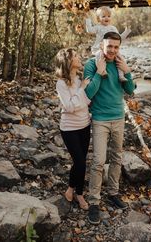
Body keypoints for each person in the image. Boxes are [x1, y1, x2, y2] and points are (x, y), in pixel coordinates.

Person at [83, 31, 135, 224]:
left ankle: (113, 193)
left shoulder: (120, 64)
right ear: (101, 46)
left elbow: (130, 91)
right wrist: (98, 71)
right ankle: (94, 202)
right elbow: (88, 93)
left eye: (116, 47)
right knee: (98, 161)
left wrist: (128, 71)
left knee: (117, 157)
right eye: (109, 46)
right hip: (100, 119)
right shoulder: (91, 64)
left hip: (119, 118)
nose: (112, 50)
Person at [55, 48, 91, 210]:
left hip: (85, 125)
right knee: (81, 162)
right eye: (76, 56)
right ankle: (80, 194)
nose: (79, 57)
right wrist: (82, 90)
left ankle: (71, 189)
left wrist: (81, 96)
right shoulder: (61, 83)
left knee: (79, 163)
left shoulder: (80, 79)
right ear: (69, 61)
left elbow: (87, 101)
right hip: (69, 128)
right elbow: (69, 107)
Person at [86, 6, 131, 81]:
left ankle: (121, 75)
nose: (106, 18)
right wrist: (88, 20)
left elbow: (119, 38)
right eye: (103, 16)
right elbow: (90, 30)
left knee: (120, 58)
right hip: (99, 47)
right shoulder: (98, 27)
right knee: (99, 56)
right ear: (98, 19)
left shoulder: (113, 28)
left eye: (108, 16)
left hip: (111, 48)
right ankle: (103, 71)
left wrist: (126, 31)